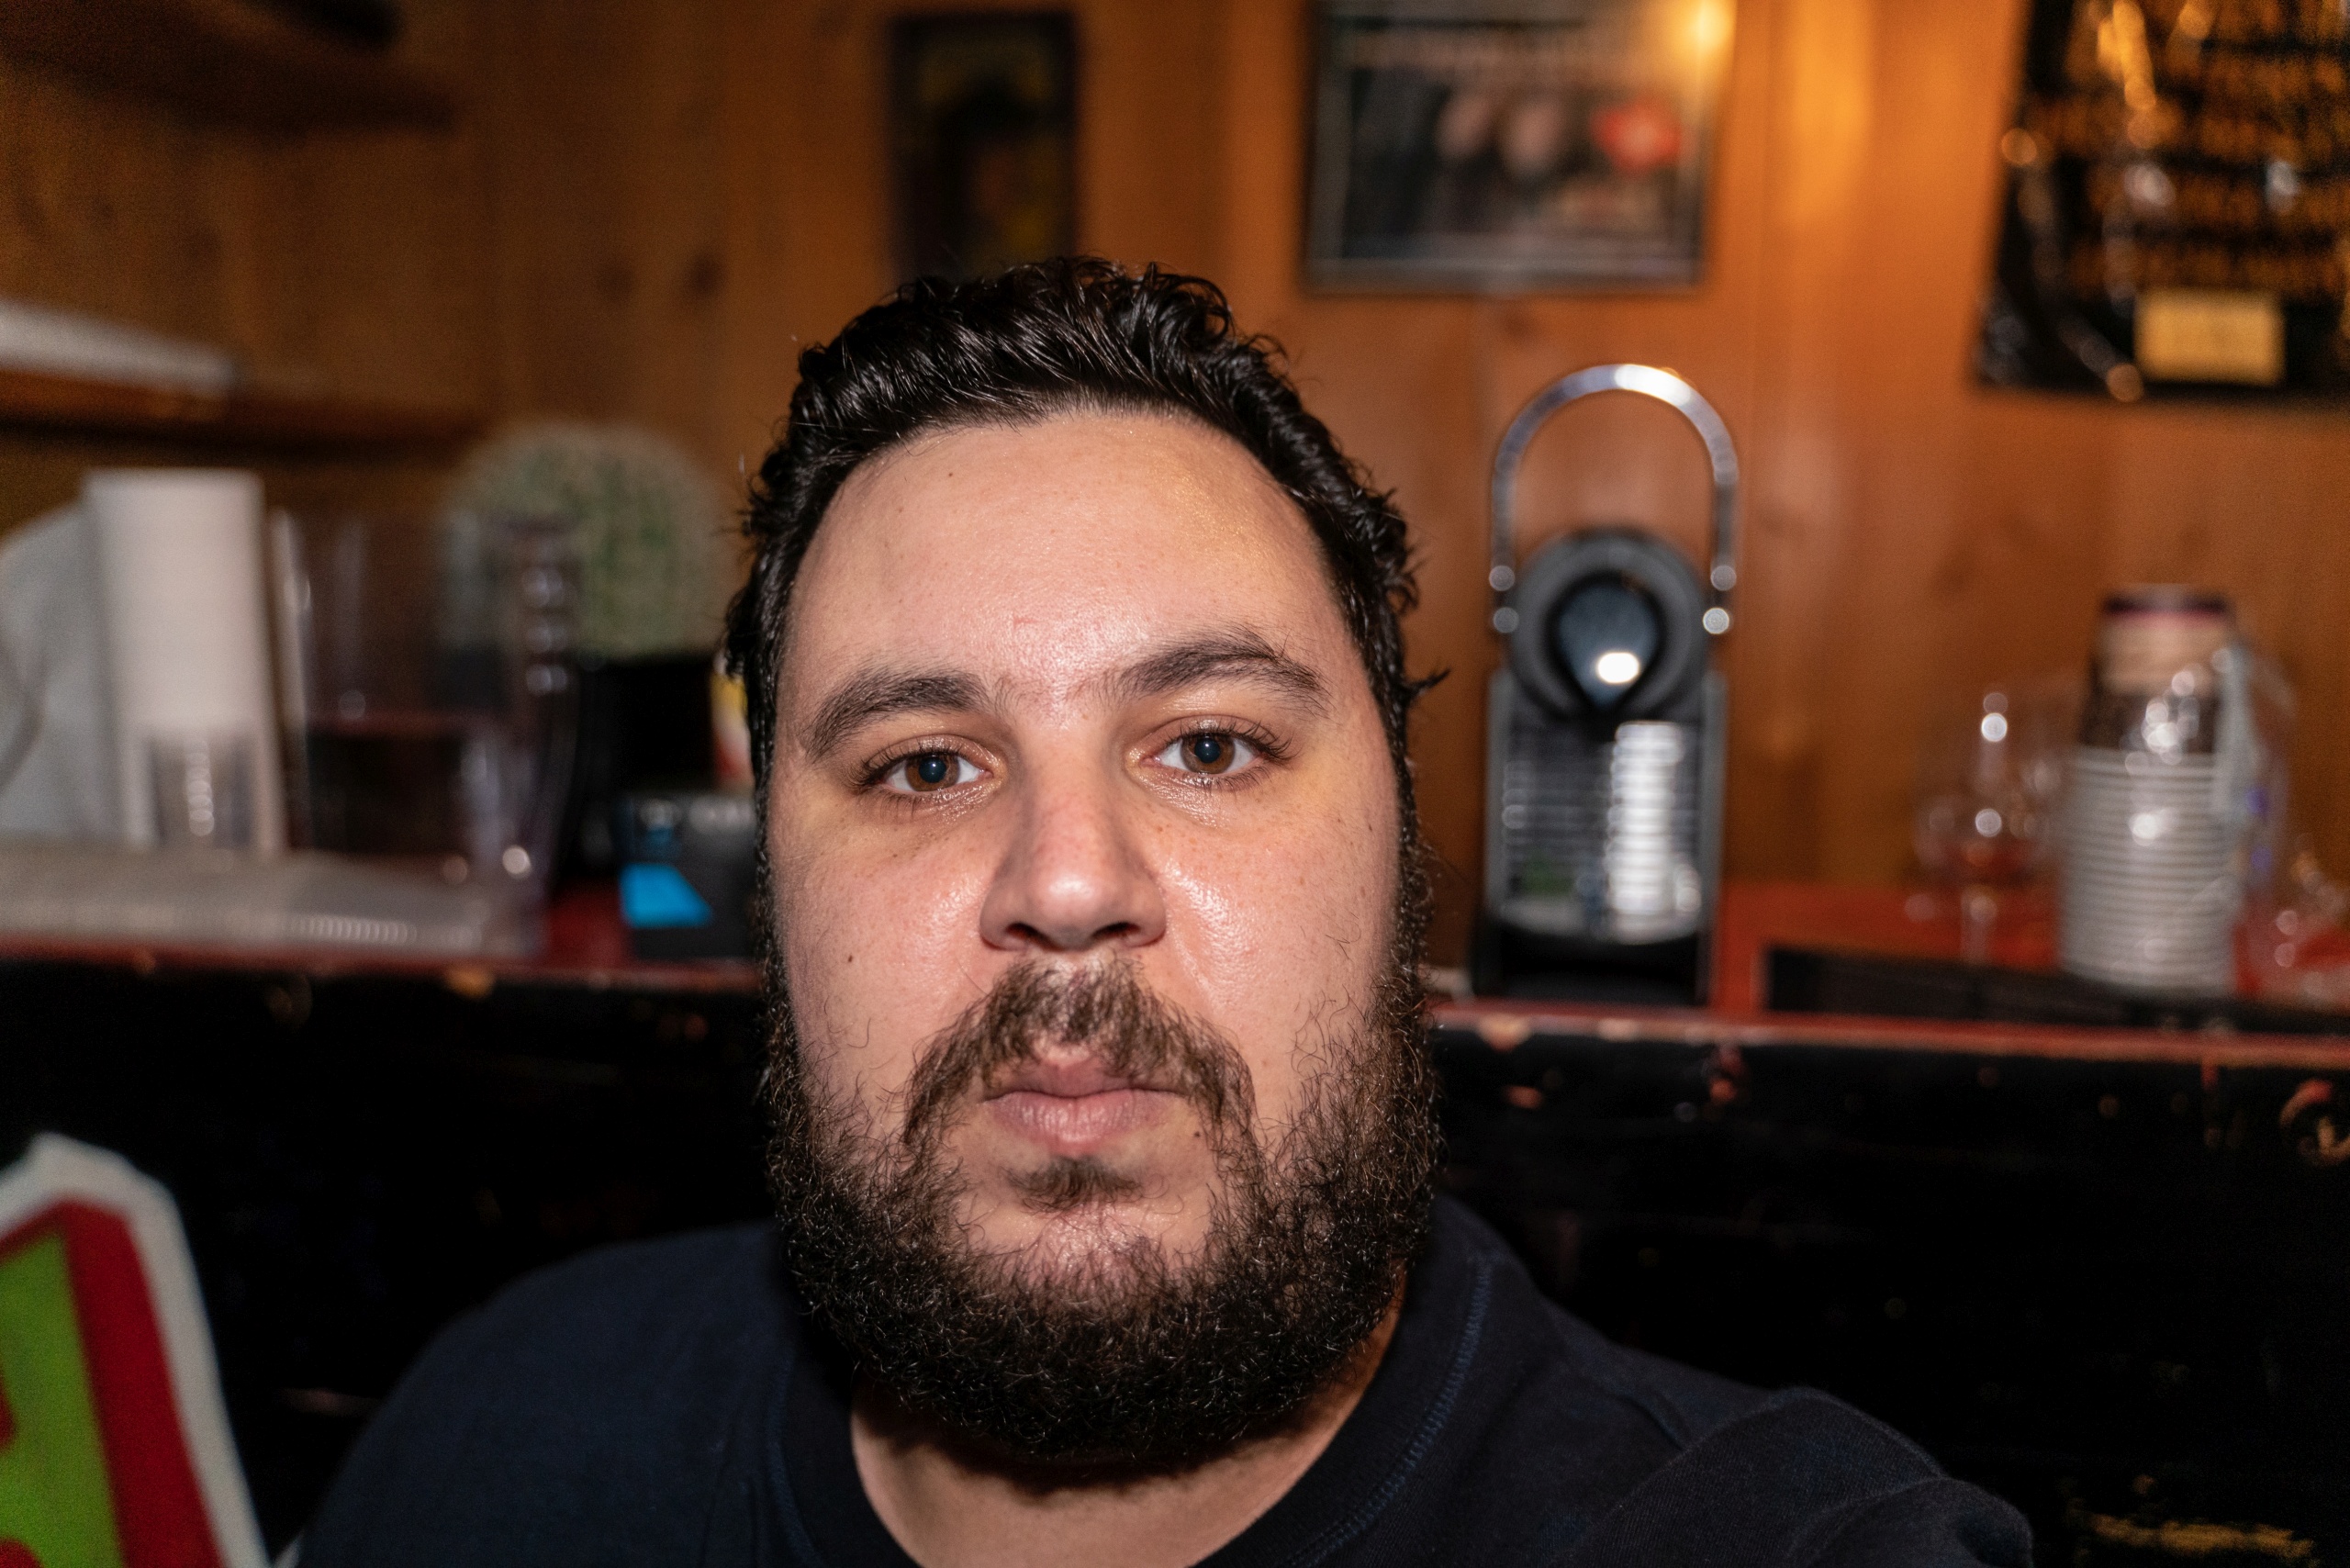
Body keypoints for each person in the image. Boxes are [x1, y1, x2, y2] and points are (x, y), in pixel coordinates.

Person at [300, 260, 2031, 1567]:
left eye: (1208, 746)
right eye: (923, 766)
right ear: (770, 894)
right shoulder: (494, 1450)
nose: (1068, 883)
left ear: (1405, 858)